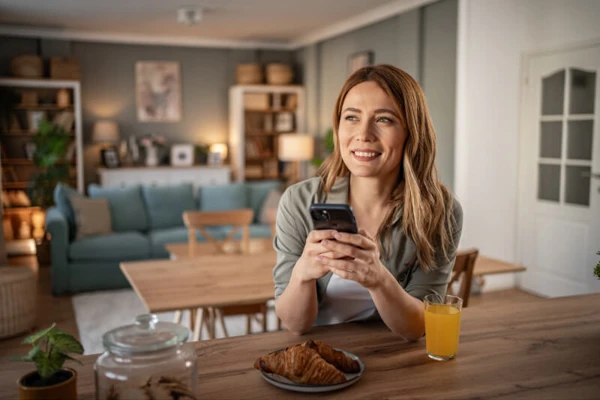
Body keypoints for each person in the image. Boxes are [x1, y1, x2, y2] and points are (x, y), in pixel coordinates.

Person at [272, 64, 463, 340]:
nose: (363, 134)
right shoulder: (299, 201)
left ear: (412, 131)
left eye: (384, 119)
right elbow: (295, 324)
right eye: (351, 117)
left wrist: (379, 279)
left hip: (395, 358)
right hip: (319, 353)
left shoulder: (441, 211)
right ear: (338, 127)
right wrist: (303, 273)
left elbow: (420, 327)